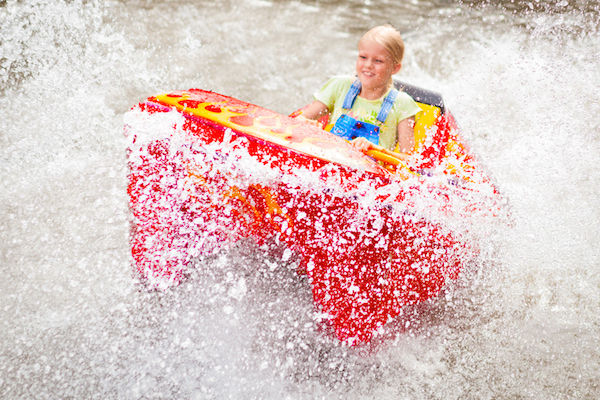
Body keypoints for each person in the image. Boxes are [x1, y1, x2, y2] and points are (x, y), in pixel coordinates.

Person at [294, 24, 421, 156]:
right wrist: (305, 123)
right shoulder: (339, 86)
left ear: (395, 68)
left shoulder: (403, 104)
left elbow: (409, 161)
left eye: (378, 61)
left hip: (370, 174)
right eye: (363, 57)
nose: (368, 65)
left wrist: (376, 149)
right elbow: (297, 120)